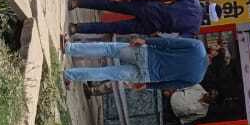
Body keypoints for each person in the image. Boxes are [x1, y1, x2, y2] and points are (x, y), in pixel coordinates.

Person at [62, 34, 208, 90]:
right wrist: (148, 85)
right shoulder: (197, 79)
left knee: (109, 49)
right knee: (107, 73)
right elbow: (170, 85)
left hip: (145, 54)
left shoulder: (198, 47)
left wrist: (146, 41)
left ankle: (69, 48)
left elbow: (169, 42)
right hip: (146, 76)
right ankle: (69, 75)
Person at [68, 0, 205, 37]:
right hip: (152, 26)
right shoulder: (194, 29)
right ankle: (76, 28)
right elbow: (176, 38)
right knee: (113, 28)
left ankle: (76, 3)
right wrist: (156, 34)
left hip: (149, 8)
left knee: (112, 5)